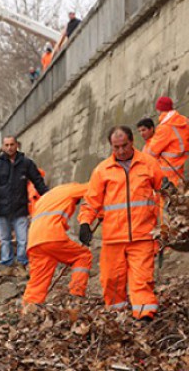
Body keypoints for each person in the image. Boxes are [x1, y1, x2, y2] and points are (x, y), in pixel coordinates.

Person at [78, 126, 164, 320]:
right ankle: (118, 316)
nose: (121, 151)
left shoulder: (149, 164)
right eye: (116, 147)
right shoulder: (102, 171)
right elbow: (91, 202)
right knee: (111, 280)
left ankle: (144, 316)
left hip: (143, 235)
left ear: (132, 141)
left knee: (142, 280)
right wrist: (84, 223)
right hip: (113, 237)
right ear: (111, 146)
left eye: (124, 145)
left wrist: (164, 225)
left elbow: (163, 194)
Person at [22, 183, 93, 305]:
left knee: (38, 282)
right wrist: (89, 221)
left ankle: (28, 310)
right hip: (52, 235)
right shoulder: (70, 188)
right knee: (83, 256)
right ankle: (76, 295)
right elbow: (95, 189)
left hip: (34, 241)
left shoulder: (44, 199)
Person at [0, 136, 49, 267]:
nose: (9, 147)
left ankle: (22, 263)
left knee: (23, 240)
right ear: (3, 147)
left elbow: (38, 181)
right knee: (5, 240)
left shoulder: (26, 164)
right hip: (1, 210)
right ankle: (7, 264)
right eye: (7, 145)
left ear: (17, 145)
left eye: (12, 144)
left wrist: (49, 196)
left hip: (20, 209)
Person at [145, 96, 189, 185]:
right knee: (178, 188)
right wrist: (185, 148)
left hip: (166, 169)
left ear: (159, 110)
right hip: (179, 166)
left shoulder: (163, 127)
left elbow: (151, 152)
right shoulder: (183, 120)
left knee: (168, 193)